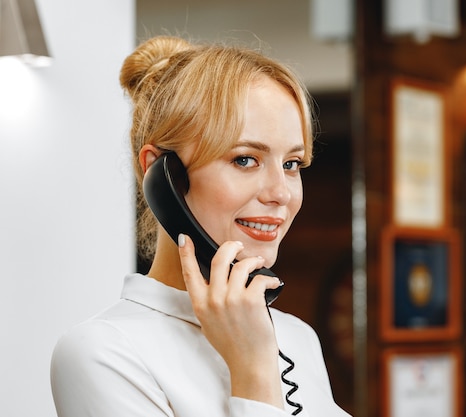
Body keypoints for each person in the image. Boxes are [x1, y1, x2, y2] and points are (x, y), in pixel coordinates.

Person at [50, 35, 350, 417]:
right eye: (245, 159)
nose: (281, 194)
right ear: (162, 175)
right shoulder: (102, 351)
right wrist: (254, 371)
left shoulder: (297, 337)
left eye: (291, 164)